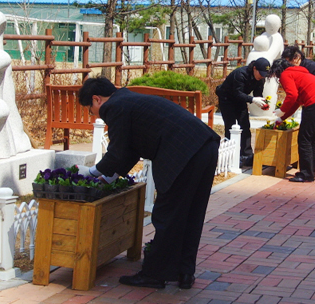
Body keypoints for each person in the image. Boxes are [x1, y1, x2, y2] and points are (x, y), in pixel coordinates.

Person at [77, 77, 221, 290]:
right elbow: (129, 150)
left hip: (183, 153)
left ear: (96, 99)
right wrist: (108, 177)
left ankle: (155, 274)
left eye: (91, 110)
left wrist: (91, 172)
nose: (95, 115)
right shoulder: (128, 100)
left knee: (167, 215)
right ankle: (184, 272)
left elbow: (117, 152)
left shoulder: (114, 107)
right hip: (205, 146)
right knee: (191, 214)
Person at [269, 59, 315, 183]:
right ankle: (310, 172)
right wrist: (281, 118)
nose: (279, 80)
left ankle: (305, 174)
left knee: (304, 139)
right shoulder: (303, 73)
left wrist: (282, 109)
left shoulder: (286, 74)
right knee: (314, 138)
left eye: (276, 77)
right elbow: (296, 102)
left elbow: (292, 95)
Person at [215, 57, 271, 167]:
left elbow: (257, 94)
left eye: (265, 74)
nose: (262, 76)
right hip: (227, 99)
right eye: (261, 73)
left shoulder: (261, 78)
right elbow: (237, 93)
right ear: (254, 68)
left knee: (245, 125)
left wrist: (262, 102)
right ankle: (230, 155)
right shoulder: (240, 74)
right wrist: (252, 100)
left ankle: (247, 155)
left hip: (241, 99)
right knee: (231, 126)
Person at [282, 46, 315, 168]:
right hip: (312, 102)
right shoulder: (298, 68)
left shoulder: (313, 68)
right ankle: (309, 165)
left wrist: (282, 110)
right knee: (309, 135)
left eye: (288, 61)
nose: (287, 65)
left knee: (313, 136)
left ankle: (313, 164)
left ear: (297, 58)